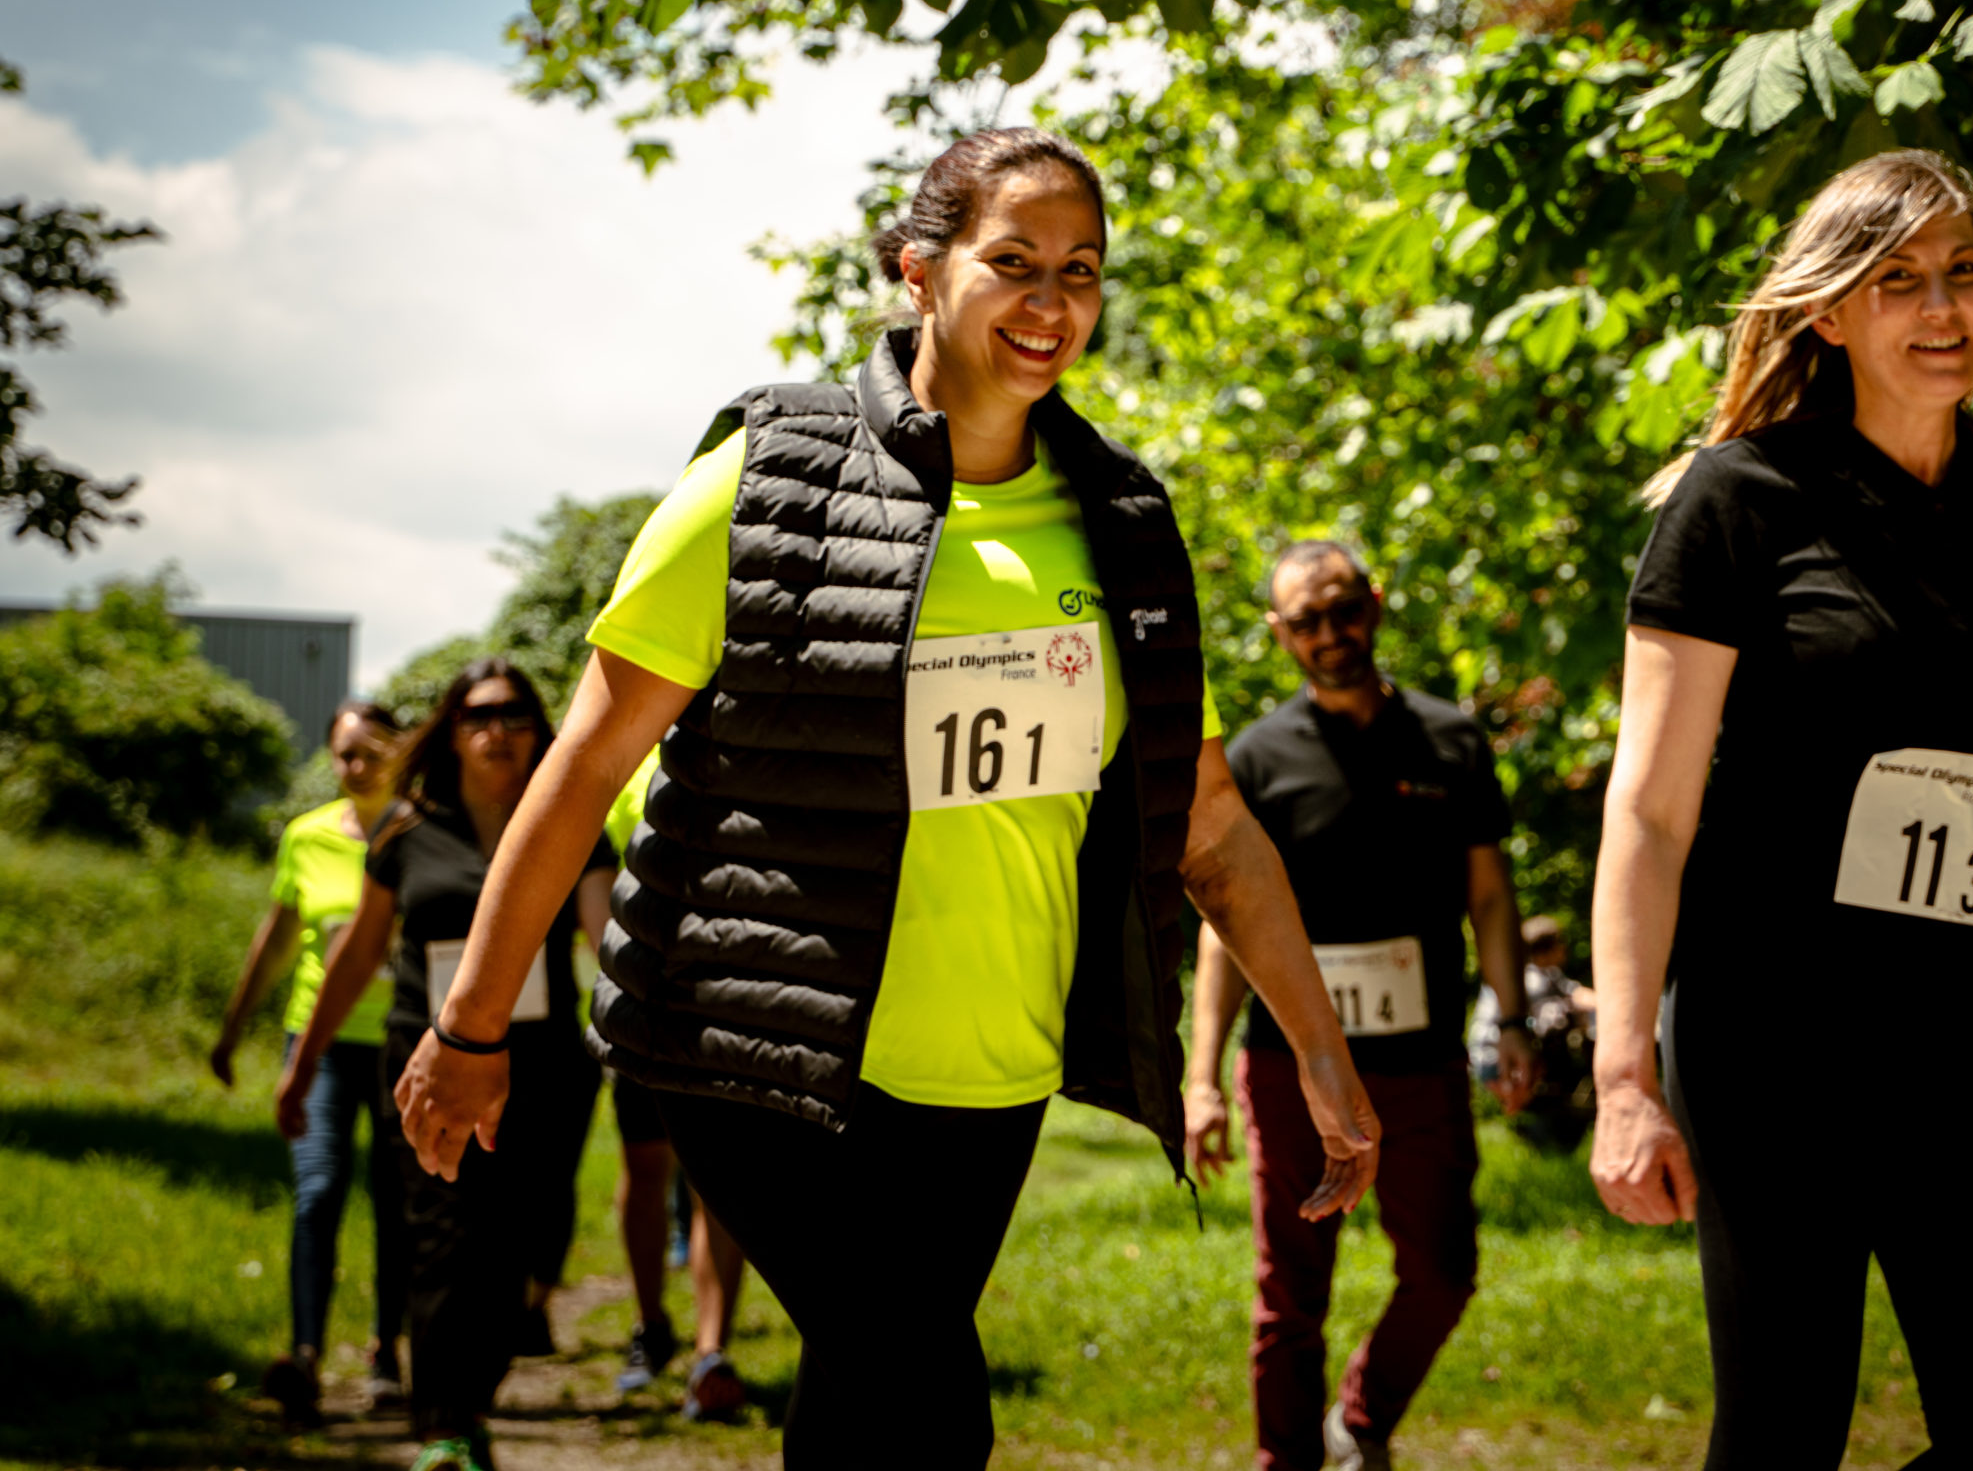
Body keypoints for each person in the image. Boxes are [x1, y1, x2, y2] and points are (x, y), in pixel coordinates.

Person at [387, 127, 1383, 1470]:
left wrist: (1319, 1051)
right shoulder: (763, 481)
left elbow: (1206, 826)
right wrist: (472, 1027)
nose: (1052, 302)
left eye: (1081, 270)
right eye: (1012, 262)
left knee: (862, 1414)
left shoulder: (1124, 524)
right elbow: (582, 775)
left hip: (991, 1071)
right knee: (930, 1410)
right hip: (756, 1043)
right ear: (918, 271)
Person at [1587, 149, 1973, 1467]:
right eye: (1898, 279)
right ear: (1830, 312)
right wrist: (1625, 1078)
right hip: (1773, 1036)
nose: (1943, 309)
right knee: (1787, 1425)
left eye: (1965, 272)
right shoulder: (1739, 501)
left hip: (1971, 1038)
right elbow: (1651, 813)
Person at [1185, 539, 1537, 1471]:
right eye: (1306, 621)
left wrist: (1511, 1018)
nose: (1331, 634)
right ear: (1278, 634)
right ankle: (1285, 1459)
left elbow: (1490, 896)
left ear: (1375, 603)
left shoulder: (1450, 741)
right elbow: (1222, 928)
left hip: (1421, 1060)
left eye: (1344, 610)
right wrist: (1203, 1078)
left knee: (1443, 1272)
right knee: (1290, 1287)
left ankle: (1365, 1421)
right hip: (1287, 1063)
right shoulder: (1254, 761)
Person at [278, 661, 616, 1471]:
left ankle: (472, 1400)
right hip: (425, 1062)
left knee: (514, 1247)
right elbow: (358, 954)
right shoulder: (405, 827)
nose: (497, 731)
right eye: (478, 716)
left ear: (541, 729)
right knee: (440, 1236)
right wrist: (304, 1063)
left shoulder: (572, 822)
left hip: (541, 1068)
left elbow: (605, 939)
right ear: (452, 732)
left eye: (514, 715)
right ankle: (442, 1427)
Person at [212, 698, 411, 1421]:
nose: (355, 766)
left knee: (396, 1203)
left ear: (400, 752)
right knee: (318, 1191)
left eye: (370, 752)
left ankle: (389, 1352)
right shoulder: (308, 837)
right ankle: (304, 1357)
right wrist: (233, 1031)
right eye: (343, 754)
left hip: (400, 1044)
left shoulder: (422, 834)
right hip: (318, 1045)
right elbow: (277, 937)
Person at [598, 747, 752, 1422]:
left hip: (733, 1007)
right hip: (646, 1005)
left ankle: (711, 1351)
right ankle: (650, 1323)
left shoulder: (746, 752)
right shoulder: (625, 766)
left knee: (719, 1183)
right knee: (646, 1168)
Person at [1468, 915, 1597, 1152]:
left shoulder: (1542, 973)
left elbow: (1578, 994)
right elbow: (1560, 1014)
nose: (1565, 950)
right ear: (1548, 948)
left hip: (1498, 1060)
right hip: (1496, 1064)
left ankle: (1554, 1122)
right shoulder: (1529, 979)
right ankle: (1545, 1123)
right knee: (1561, 1032)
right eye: (1560, 943)